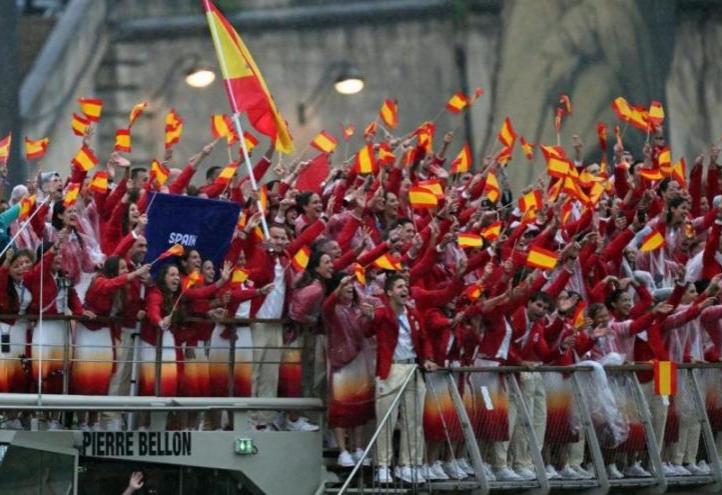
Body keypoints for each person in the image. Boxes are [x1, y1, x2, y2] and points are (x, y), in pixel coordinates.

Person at [366, 273, 437, 485]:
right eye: (399, 287)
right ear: (389, 292)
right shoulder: (381, 313)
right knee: (386, 420)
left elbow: (423, 339)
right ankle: (383, 466)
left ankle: (409, 465)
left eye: (406, 286)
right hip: (391, 370)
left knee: (413, 421)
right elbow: (366, 331)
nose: (404, 290)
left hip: (413, 368)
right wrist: (368, 317)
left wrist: (428, 359)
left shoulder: (413, 314)